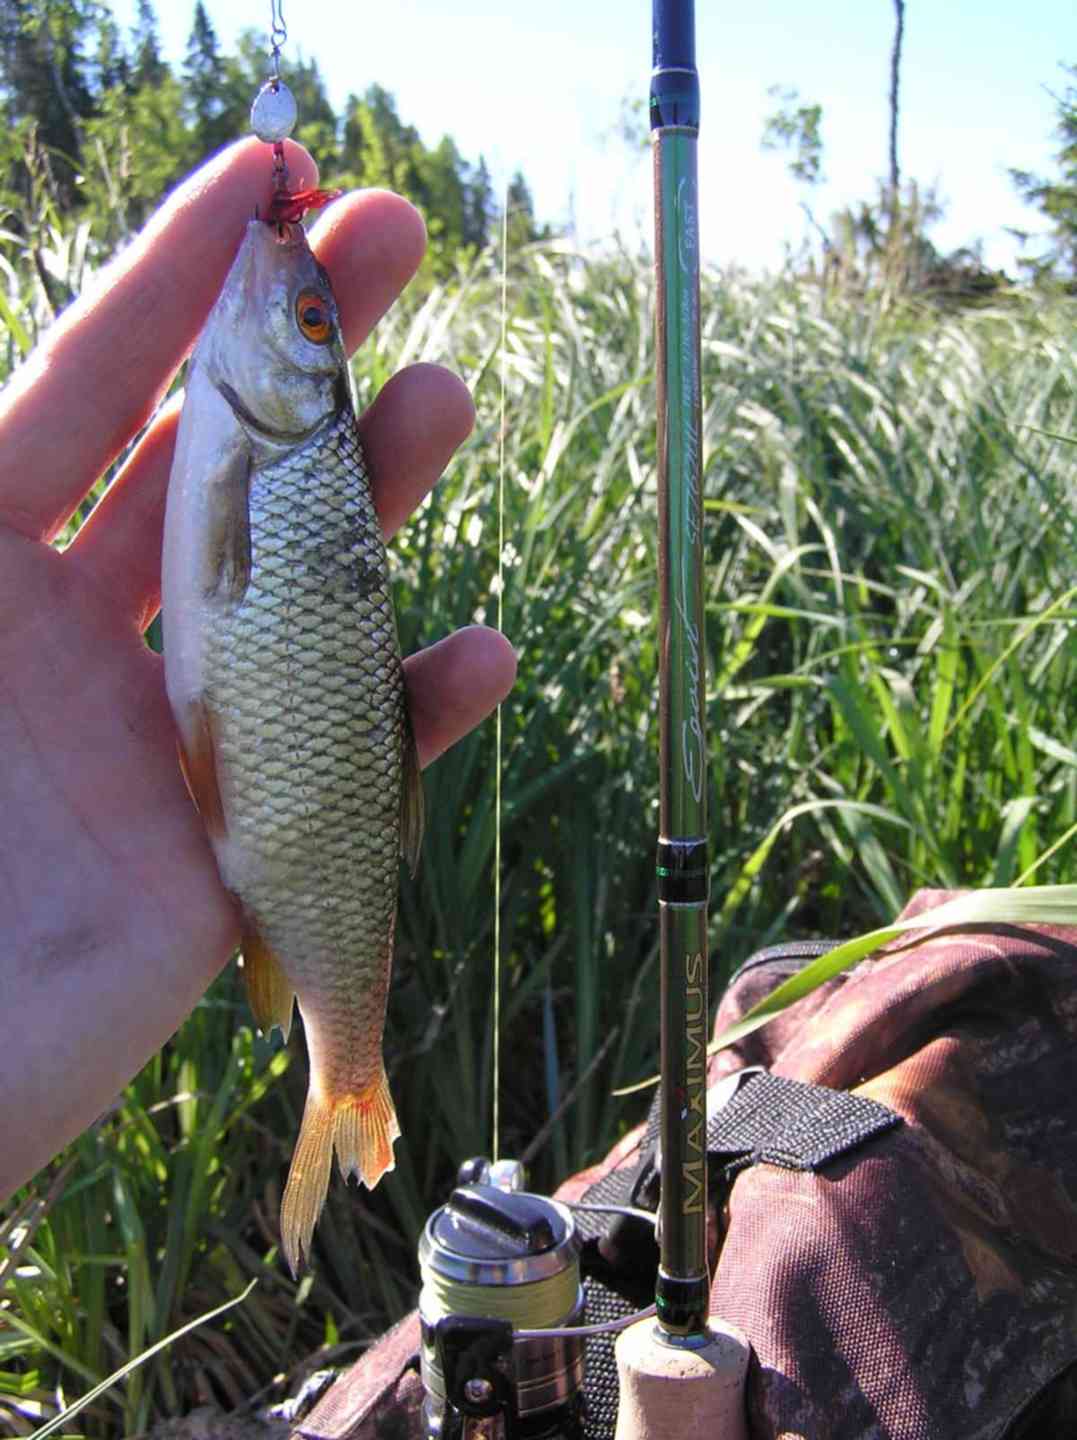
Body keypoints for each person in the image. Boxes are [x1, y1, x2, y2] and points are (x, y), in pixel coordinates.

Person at [0, 138, 516, 1201]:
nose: (298, 299)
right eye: (314, 323)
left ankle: (349, 1080)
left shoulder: (268, 440)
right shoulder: (262, 437)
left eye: (313, 322)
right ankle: (349, 1080)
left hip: (295, 827)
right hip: (270, 783)